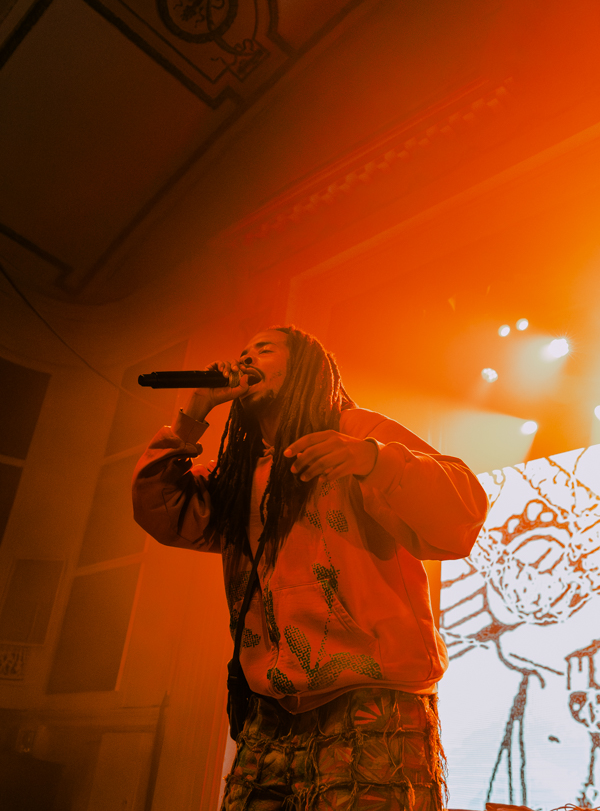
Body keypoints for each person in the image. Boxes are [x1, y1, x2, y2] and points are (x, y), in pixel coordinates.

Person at [132, 326, 488, 811]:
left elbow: (463, 510)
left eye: (264, 349)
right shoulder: (239, 469)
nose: (246, 358)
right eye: (242, 352)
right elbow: (159, 510)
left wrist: (371, 458)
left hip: (369, 699)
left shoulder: (355, 429)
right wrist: (192, 415)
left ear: (303, 366)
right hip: (271, 707)